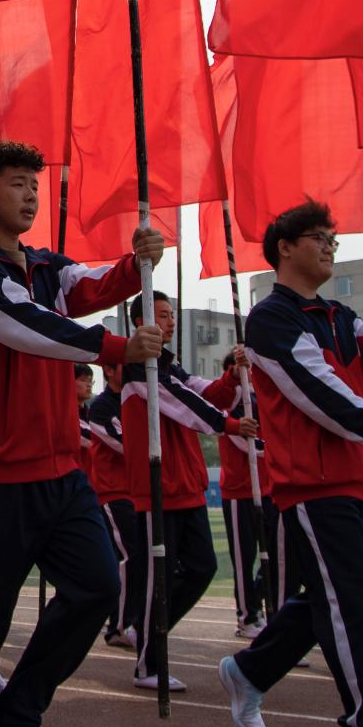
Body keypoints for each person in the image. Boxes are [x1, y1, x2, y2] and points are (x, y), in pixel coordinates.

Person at [0, 139, 162, 727]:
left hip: (62, 471)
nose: (31, 195)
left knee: (97, 586)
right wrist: (117, 345)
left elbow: (89, 286)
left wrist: (136, 263)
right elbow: (28, 325)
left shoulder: (46, 266)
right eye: (17, 183)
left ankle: (22, 709)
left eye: (35, 185)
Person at [216, 199, 363, 727]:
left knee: (328, 598)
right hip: (311, 485)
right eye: (320, 238)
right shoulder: (270, 319)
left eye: (333, 240)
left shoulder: (339, 316)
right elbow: (316, 389)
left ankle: (250, 669)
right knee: (349, 602)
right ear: (286, 248)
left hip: (349, 479)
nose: (330, 248)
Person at [119, 291, 254, 692]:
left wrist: (233, 377)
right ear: (142, 321)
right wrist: (229, 425)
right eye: (163, 315)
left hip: (187, 485)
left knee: (202, 568)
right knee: (158, 578)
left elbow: (205, 392)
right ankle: (148, 662)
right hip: (158, 487)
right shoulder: (137, 368)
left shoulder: (170, 367)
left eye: (172, 315)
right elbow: (184, 404)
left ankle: (147, 628)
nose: (171, 321)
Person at [82, 358, 141, 652]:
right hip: (112, 491)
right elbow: (124, 444)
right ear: (109, 370)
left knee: (136, 556)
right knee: (130, 555)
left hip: (135, 490)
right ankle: (119, 624)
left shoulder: (134, 400)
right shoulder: (102, 407)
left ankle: (131, 619)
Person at [213, 348, 271, 638]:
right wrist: (277, 449)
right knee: (244, 557)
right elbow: (246, 443)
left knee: (274, 554)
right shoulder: (227, 407)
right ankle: (246, 615)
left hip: (267, 488)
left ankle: (259, 601)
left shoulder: (258, 401)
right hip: (239, 492)